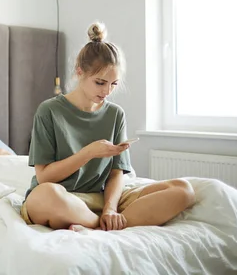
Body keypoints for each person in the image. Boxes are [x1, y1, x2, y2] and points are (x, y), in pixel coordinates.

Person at [21, 23, 195, 232]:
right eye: (100, 82)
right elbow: (44, 177)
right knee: (45, 195)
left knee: (184, 190)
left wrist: (110, 209)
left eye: (113, 84)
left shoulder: (115, 114)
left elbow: (116, 173)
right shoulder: (49, 110)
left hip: (101, 198)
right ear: (79, 72)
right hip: (62, 196)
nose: (107, 91)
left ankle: (103, 222)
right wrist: (89, 153)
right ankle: (100, 226)